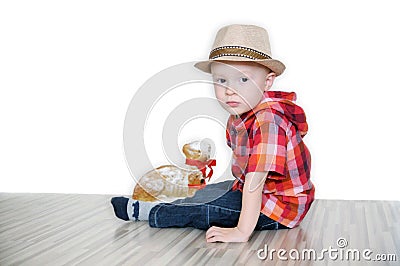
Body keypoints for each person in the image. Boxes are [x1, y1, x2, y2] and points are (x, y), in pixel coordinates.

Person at [111, 24, 315, 243]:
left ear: (267, 81)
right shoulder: (241, 113)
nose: (230, 90)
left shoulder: (269, 123)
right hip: (259, 193)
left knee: (208, 209)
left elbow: (255, 182)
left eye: (243, 79)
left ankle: (148, 212)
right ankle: (167, 202)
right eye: (221, 80)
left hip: (279, 208)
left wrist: (242, 231)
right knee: (209, 191)